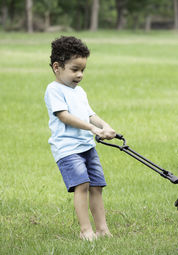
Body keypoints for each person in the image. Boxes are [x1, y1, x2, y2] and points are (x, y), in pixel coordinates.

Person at [44, 36, 116, 241]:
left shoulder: (79, 91)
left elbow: (89, 114)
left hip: (87, 146)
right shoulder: (54, 90)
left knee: (96, 186)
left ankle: (102, 229)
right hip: (68, 149)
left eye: (83, 70)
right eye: (75, 69)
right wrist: (94, 129)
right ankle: (86, 231)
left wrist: (105, 126)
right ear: (57, 67)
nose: (80, 75)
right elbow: (64, 116)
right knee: (82, 185)